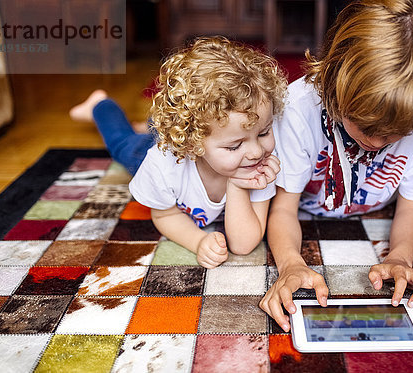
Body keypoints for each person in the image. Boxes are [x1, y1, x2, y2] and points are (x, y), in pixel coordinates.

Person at [260, 0, 413, 332]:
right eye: (367, 128)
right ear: (335, 84)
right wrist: (290, 265)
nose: (380, 143)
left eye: (398, 134)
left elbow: (412, 206)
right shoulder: (297, 109)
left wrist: (399, 258)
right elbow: (283, 209)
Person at [70, 37, 288, 268]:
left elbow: (243, 245)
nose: (256, 152)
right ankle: (101, 105)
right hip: (152, 150)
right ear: (193, 144)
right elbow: (164, 215)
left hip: (192, 131)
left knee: (168, 122)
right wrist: (198, 241)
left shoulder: (259, 164)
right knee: (121, 143)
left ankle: (153, 123)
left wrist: (237, 187)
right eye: (234, 146)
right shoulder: (161, 164)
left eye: (264, 133)